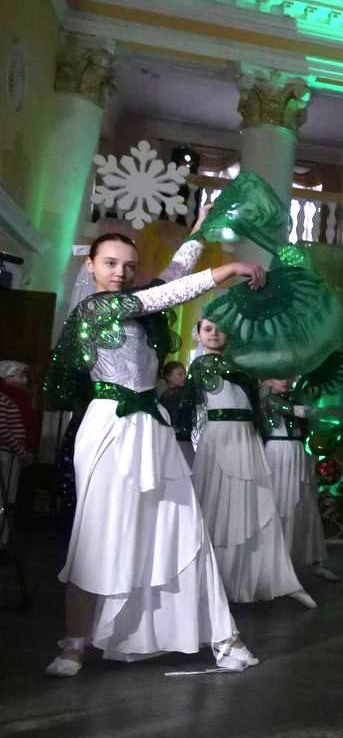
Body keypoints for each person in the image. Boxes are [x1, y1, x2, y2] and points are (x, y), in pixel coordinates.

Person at [45, 231, 261, 677]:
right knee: (98, 532)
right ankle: (75, 644)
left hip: (153, 427)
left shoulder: (139, 303)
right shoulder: (94, 308)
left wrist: (199, 233)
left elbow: (172, 277)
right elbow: (167, 292)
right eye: (110, 263)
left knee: (183, 526)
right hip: (109, 426)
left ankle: (225, 637)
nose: (120, 272)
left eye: (129, 265)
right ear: (91, 265)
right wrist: (227, 269)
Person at [184, 318, 316, 609]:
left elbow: (256, 402)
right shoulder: (203, 364)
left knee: (254, 506)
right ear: (198, 335)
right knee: (217, 506)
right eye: (208, 329)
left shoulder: (243, 366)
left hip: (247, 438)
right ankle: (214, 584)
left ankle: (265, 578)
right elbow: (196, 400)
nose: (215, 334)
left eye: (220, 328)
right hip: (220, 439)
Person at [261, 379, 340, 582]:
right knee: (282, 503)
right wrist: (325, 411)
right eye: (280, 377)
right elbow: (295, 411)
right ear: (268, 381)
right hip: (278, 453)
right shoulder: (267, 399)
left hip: (296, 453)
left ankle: (315, 561)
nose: (286, 381)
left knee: (306, 504)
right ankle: (278, 565)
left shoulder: (294, 398)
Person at [0, 360, 37, 549]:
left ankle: (4, 540)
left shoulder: (16, 399)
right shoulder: (4, 398)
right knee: (3, 497)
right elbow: (2, 429)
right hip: (6, 454)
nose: (24, 380)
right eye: (20, 376)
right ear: (7, 377)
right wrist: (21, 451)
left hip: (13, 454)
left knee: (9, 498)